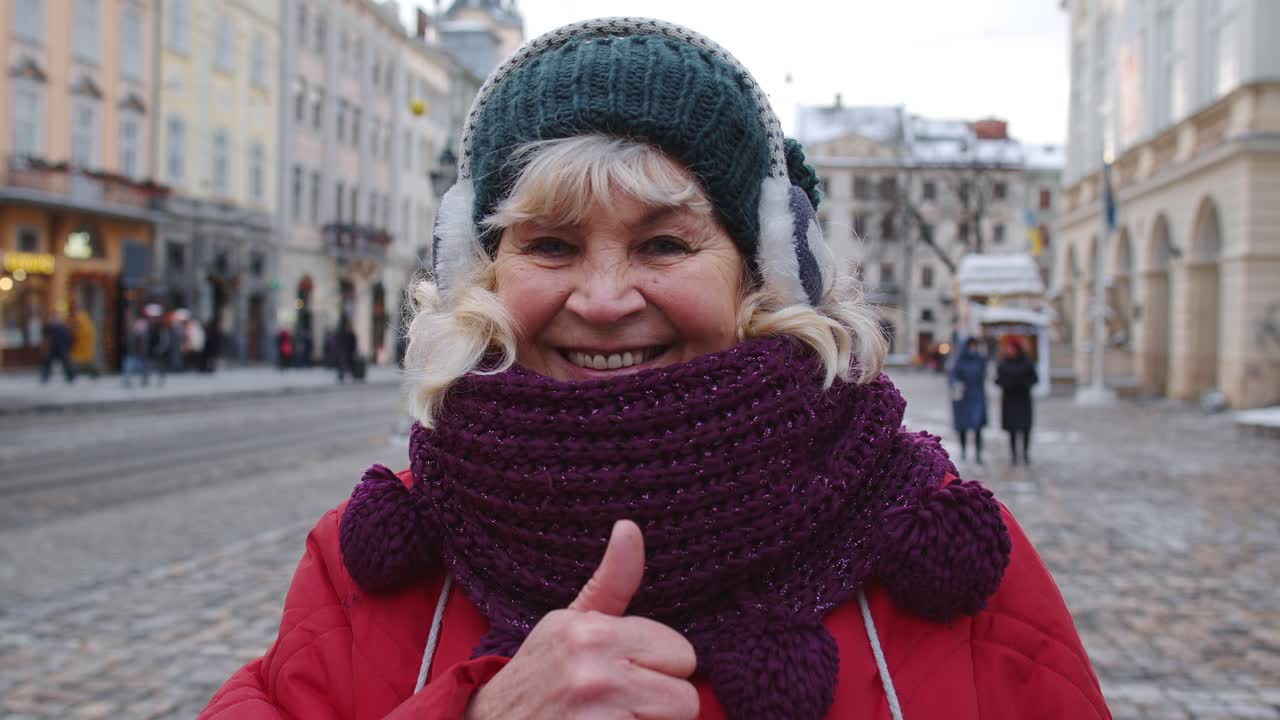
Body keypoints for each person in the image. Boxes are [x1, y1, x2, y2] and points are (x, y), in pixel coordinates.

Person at [201, 18, 1109, 720]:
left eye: (665, 242)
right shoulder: (362, 562)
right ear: (474, 272)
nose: (603, 299)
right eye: (550, 244)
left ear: (766, 270)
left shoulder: (943, 550)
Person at [995, 338, 1039, 465]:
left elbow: (1034, 378)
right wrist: (1007, 383)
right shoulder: (1003, 364)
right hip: (1010, 400)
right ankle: (1014, 455)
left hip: (1023, 399)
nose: (1010, 351)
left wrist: (1023, 383)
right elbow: (998, 380)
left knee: (1025, 429)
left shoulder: (1026, 363)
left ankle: (1025, 453)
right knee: (1012, 430)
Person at [949, 337, 989, 463]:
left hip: (977, 396)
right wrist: (957, 385)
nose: (972, 348)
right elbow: (952, 377)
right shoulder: (959, 361)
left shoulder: (980, 360)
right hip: (963, 398)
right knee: (963, 426)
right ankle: (964, 451)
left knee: (977, 426)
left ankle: (978, 453)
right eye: (970, 345)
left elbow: (983, 377)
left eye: (974, 345)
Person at [39, 310, 75, 384]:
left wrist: (67, 347)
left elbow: (68, 337)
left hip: (61, 348)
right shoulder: (48, 327)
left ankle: (70, 377)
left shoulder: (62, 328)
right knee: (47, 362)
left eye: (56, 317)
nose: (54, 319)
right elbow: (44, 337)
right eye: (53, 317)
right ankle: (44, 377)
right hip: (52, 348)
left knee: (66, 362)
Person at [68, 304, 100, 379]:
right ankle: (93, 372)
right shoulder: (83, 317)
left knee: (80, 360)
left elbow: (77, 329)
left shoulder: (79, 317)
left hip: (83, 342)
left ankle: (93, 372)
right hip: (84, 342)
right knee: (85, 359)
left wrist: (75, 334)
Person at [122, 314, 151, 388]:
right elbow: (129, 343)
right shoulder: (133, 333)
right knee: (129, 368)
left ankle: (144, 380)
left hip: (140, 354)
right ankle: (127, 381)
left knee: (143, 368)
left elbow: (145, 345)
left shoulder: (144, 334)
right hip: (132, 354)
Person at [335, 317, 357, 383]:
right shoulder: (341, 333)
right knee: (342, 364)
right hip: (343, 351)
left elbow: (353, 342)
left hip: (348, 352)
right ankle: (341, 376)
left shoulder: (350, 333)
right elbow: (338, 342)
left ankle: (349, 375)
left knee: (348, 364)